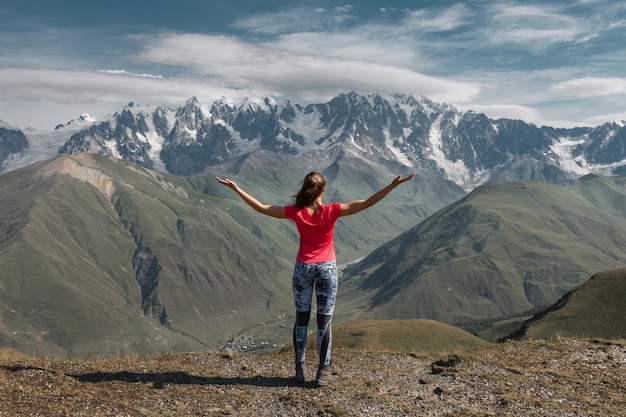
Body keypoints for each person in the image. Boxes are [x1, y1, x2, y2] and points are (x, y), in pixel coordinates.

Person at [216, 171, 415, 386]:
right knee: (324, 320)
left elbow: (261, 208)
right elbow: (367, 203)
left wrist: (236, 189)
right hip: (327, 270)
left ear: (306, 189)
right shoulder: (332, 211)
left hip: (303, 269)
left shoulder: (296, 212)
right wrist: (393, 185)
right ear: (323, 190)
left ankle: (300, 369)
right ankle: (323, 371)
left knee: (301, 320)